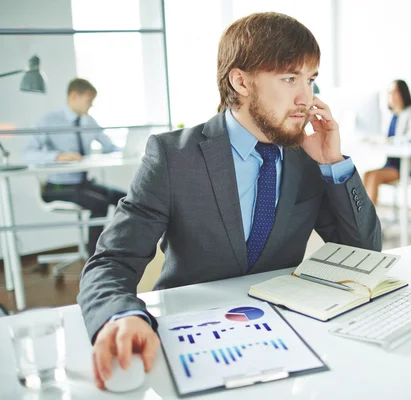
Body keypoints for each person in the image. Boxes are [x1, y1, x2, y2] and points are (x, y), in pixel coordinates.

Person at [77, 12, 382, 390]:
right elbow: (111, 262)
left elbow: (365, 255)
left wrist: (334, 165)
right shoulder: (173, 157)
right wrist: (120, 315)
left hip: (288, 340)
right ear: (241, 81)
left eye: (311, 80)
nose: (307, 98)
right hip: (193, 338)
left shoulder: (308, 155)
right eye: (290, 78)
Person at [22, 78, 126, 257]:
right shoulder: (48, 121)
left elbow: (109, 147)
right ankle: (95, 257)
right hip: (57, 187)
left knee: (125, 199)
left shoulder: (89, 122)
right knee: (99, 203)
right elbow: (27, 155)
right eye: (89, 101)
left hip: (83, 183)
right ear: (74, 96)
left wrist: (130, 148)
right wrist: (56, 156)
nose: (91, 106)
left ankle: (126, 247)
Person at [362, 80, 411, 205]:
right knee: (367, 175)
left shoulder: (410, 113)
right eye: (389, 92)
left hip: (405, 166)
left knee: (375, 177)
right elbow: (384, 137)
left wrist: (391, 141)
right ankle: (362, 215)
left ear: (402, 93)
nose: (391, 95)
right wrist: (372, 140)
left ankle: (369, 221)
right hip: (390, 164)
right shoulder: (390, 116)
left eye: (394, 92)